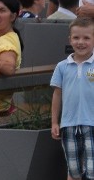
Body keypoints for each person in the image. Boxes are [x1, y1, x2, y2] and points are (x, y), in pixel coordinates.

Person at [50, 17, 94, 180]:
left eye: (86, 38)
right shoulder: (62, 67)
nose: (81, 42)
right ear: (70, 39)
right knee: (73, 170)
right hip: (69, 124)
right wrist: (55, 122)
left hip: (92, 123)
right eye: (76, 37)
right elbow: (57, 94)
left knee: (92, 170)